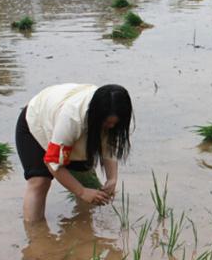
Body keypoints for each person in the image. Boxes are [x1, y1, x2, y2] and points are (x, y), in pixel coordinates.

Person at [16, 84, 132, 223]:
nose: (112, 127)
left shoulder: (114, 112)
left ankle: (82, 228)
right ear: (97, 115)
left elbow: (109, 147)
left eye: (115, 124)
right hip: (37, 123)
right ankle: (36, 237)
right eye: (108, 123)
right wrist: (82, 192)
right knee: (40, 181)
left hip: (72, 129)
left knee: (86, 179)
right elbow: (53, 164)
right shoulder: (72, 117)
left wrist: (112, 178)